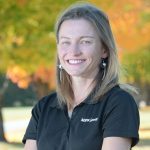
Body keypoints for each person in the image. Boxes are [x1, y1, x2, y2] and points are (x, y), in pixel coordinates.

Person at [23, 2, 140, 150]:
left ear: (104, 49)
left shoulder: (118, 103)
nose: (74, 51)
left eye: (85, 41)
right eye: (66, 42)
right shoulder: (44, 108)